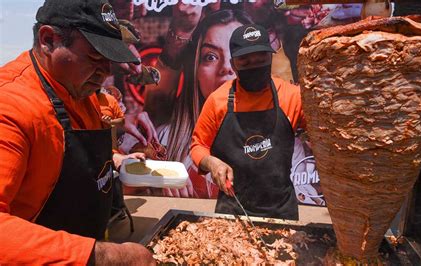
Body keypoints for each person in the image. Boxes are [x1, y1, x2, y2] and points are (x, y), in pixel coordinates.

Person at [0, 0, 155, 264]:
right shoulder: (12, 107)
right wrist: (102, 256)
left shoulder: (83, 92)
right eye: (95, 57)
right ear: (48, 40)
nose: (105, 73)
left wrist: (117, 157)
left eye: (109, 61)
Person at [121, 9, 253, 198]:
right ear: (196, 71)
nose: (226, 67)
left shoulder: (287, 142)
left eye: (239, 55)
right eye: (210, 56)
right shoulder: (164, 140)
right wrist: (152, 178)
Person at [190, 24, 304, 220]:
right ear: (234, 65)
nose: (254, 66)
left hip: (281, 208)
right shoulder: (218, 100)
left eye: (261, 59)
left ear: (271, 58)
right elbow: (197, 146)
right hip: (232, 208)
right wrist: (212, 163)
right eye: (245, 61)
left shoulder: (291, 96)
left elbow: (323, 134)